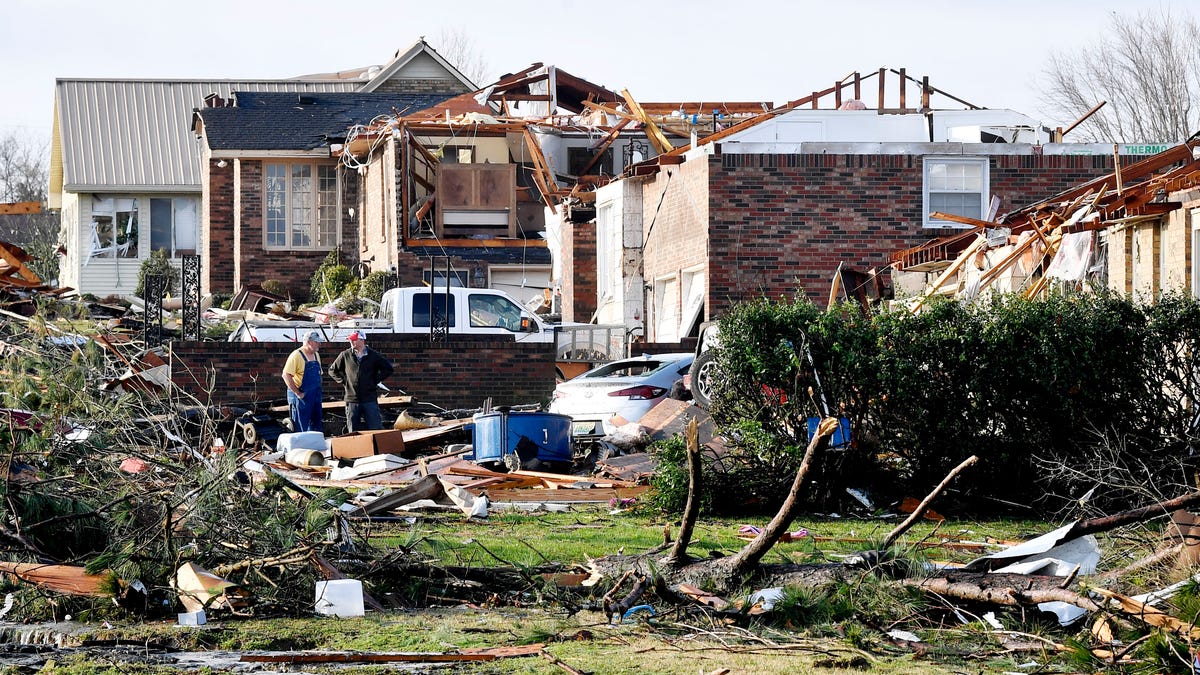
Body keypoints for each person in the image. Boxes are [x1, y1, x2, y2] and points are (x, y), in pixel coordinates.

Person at [328, 331, 395, 432]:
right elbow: (332, 370)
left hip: (369, 399)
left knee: (375, 428)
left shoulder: (373, 355)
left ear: (362, 340)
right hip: (352, 400)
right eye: (351, 339)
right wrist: (344, 381)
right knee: (353, 430)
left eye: (354, 339)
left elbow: (388, 369)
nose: (351, 341)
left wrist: (374, 380)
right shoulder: (345, 355)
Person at [282, 330, 324, 433]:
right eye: (316, 342)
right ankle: (300, 449)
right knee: (299, 428)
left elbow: (319, 374)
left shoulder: (316, 355)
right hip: (301, 397)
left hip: (314, 396)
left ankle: (313, 447)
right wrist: (298, 392)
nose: (319, 344)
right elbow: (286, 375)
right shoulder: (296, 355)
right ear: (309, 342)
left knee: (315, 427)